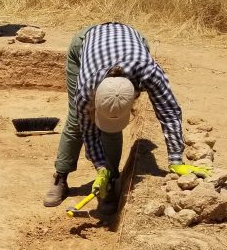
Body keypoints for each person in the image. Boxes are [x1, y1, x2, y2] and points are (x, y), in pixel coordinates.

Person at [43, 22, 210, 216]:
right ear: (95, 98)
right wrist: (100, 166)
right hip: (85, 44)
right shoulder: (85, 89)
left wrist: (175, 159)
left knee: (111, 130)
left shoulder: (149, 72)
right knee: (75, 121)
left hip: (132, 41)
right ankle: (61, 177)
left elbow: (170, 112)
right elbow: (88, 131)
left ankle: (112, 182)